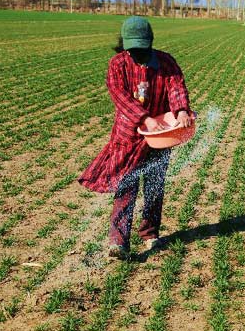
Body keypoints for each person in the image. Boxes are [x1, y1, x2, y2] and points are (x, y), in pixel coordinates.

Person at [78, 16, 194, 259]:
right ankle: (118, 243)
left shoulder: (165, 62)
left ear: (150, 42)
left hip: (161, 136)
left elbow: (176, 87)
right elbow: (120, 96)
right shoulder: (117, 64)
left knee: (154, 186)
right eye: (133, 48)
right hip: (128, 137)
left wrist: (181, 109)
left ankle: (150, 234)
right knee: (126, 187)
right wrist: (144, 119)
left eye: (143, 47)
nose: (138, 53)